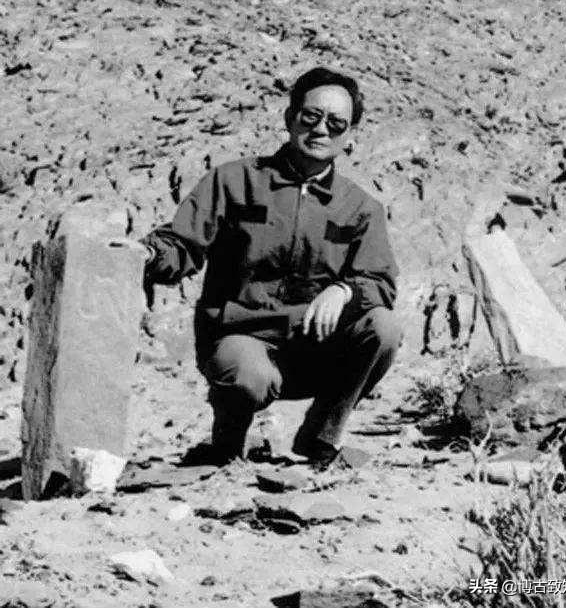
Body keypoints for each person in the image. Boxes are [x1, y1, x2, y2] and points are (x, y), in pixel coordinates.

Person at [141, 66, 401, 468]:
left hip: (314, 350)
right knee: (247, 377)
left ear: (350, 137)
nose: (321, 130)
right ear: (290, 117)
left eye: (336, 124)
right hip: (242, 339)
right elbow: (183, 244)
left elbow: (380, 282)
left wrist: (344, 290)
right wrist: (148, 255)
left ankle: (320, 440)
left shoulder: (361, 208)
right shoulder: (233, 181)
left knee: (384, 327)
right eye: (311, 116)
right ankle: (227, 445)